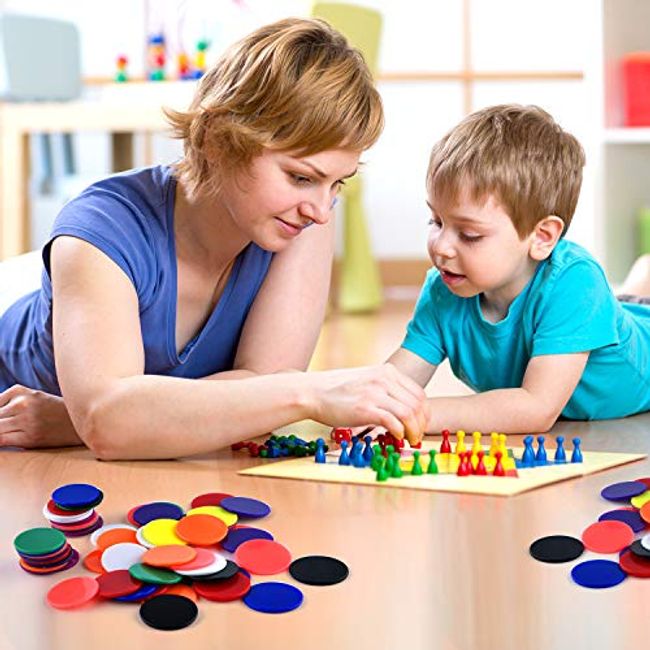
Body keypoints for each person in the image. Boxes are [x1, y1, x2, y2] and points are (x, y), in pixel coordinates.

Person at [0, 18, 427, 458]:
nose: (321, 210)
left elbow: (266, 384)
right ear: (216, 141)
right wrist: (312, 392)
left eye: (337, 184)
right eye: (301, 177)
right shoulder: (100, 229)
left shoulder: (305, 218)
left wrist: (87, 418)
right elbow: (110, 426)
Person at [386, 103, 650, 433]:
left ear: (541, 237)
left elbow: (535, 409)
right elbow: (393, 385)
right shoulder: (444, 290)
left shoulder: (576, 282)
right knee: (628, 297)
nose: (440, 246)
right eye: (435, 221)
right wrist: (372, 406)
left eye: (469, 234)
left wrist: (417, 414)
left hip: (641, 347)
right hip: (601, 315)